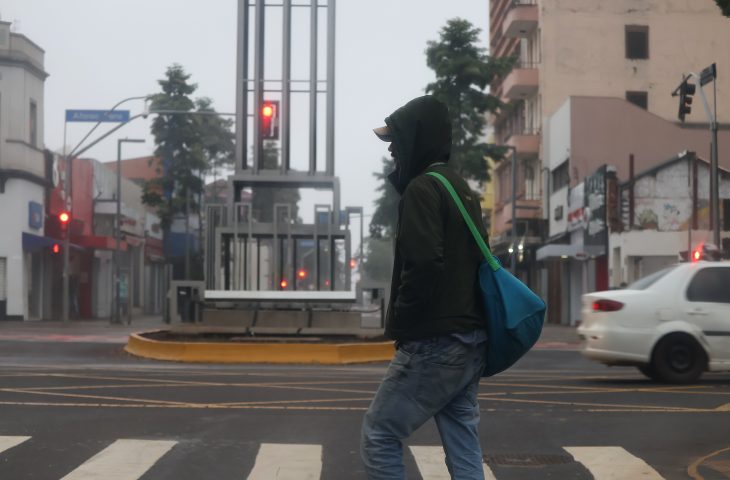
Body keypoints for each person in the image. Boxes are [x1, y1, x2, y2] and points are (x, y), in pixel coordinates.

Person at [361, 95, 489, 480]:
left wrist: (403, 320)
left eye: (395, 140)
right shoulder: (460, 190)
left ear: (416, 138)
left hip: (436, 340)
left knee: (379, 433)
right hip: (471, 340)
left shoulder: (422, 188)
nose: (391, 150)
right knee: (461, 436)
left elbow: (424, 265)